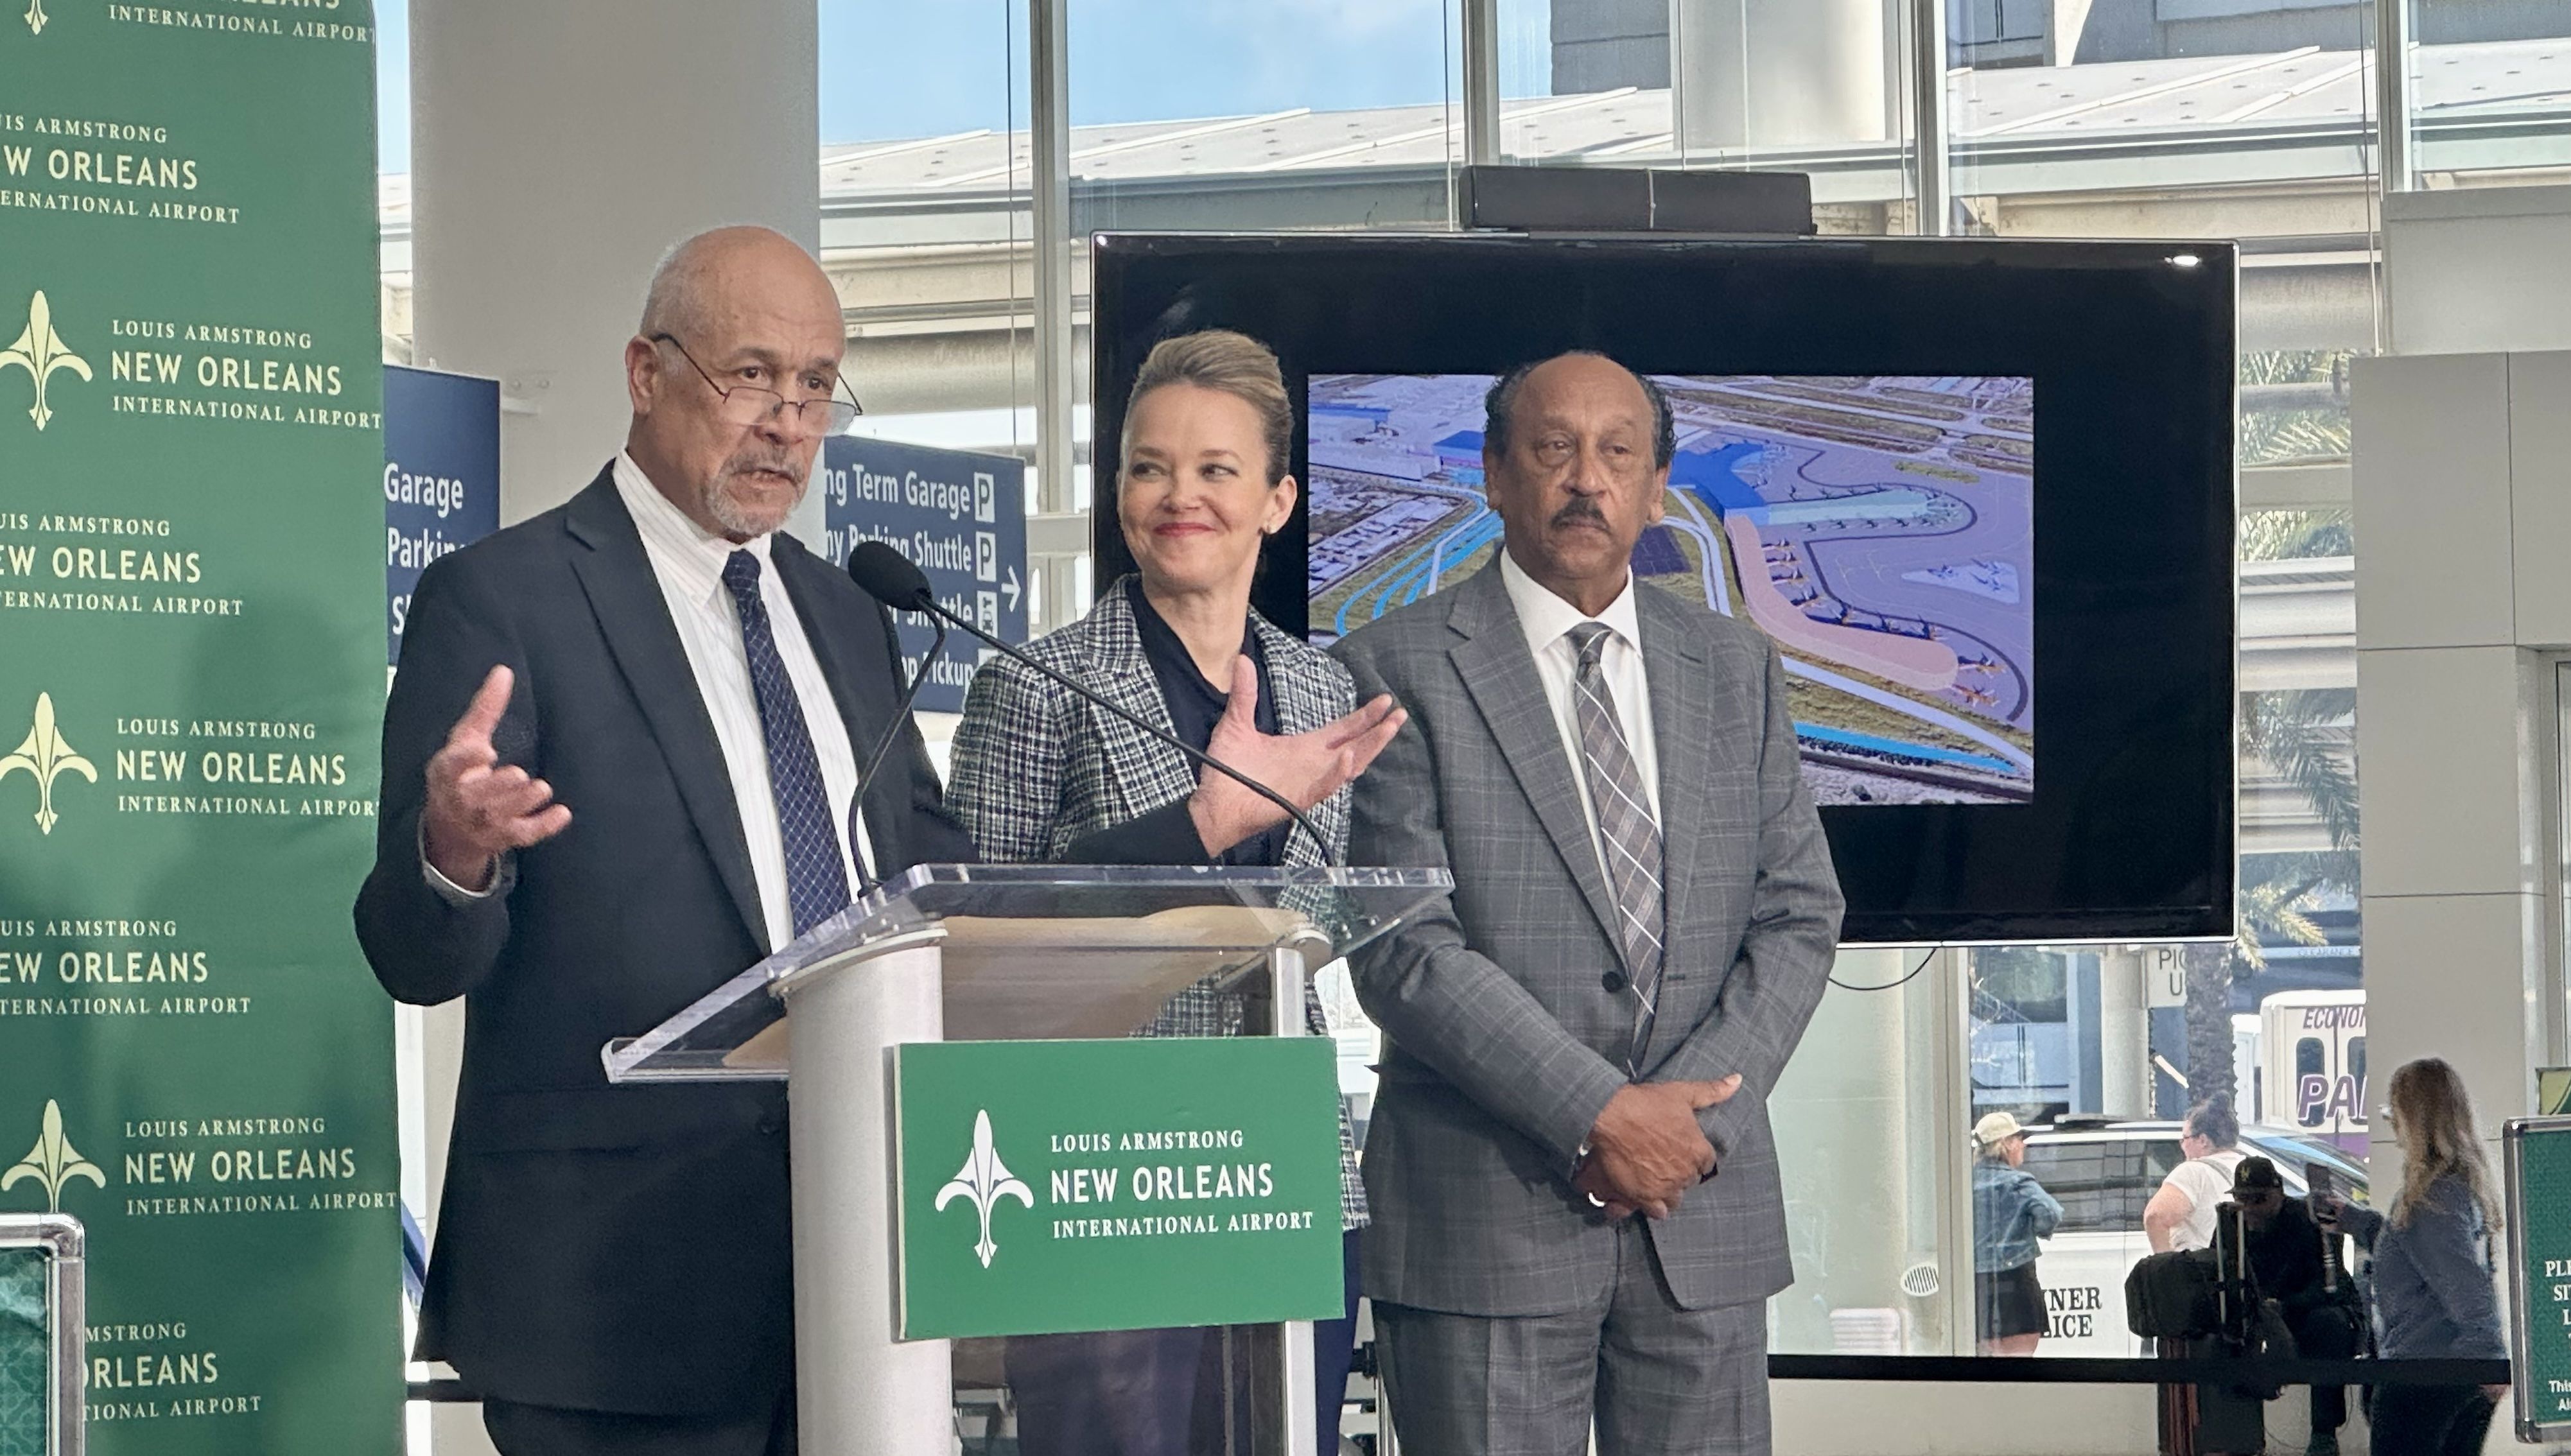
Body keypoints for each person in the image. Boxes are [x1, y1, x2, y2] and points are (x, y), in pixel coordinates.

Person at [354, 226, 972, 1456]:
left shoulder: (851, 617)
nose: (786, 422)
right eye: (751, 375)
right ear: (646, 372)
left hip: (861, 1271)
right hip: (612, 1293)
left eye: (814, 386)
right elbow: (413, 952)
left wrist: (1205, 822)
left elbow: (937, 892)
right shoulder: (504, 595)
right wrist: (455, 848)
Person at [1334, 351, 1846, 1455]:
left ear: (1655, 485)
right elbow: (1402, 945)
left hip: (1698, 1213)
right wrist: (1600, 1116)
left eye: (1618, 452)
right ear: (1492, 473)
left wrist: (1683, 1127)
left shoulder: (1734, 664)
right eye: (1552, 448)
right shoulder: (1391, 666)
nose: (1586, 479)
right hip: (1483, 1218)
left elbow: (1800, 911)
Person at [946, 328, 1406, 1456]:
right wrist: (1202, 827)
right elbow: (973, 950)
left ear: (1278, 500)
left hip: (1284, 1166)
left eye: (1215, 470)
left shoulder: (1319, 686)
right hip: (1098, 1174)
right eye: (1149, 466)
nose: (1177, 495)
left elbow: (1318, 928)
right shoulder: (1036, 682)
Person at [2313, 1058, 2507, 1456]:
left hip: (2426, 1375)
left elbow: (2464, 1286)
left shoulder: (2432, 1199)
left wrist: (2488, 1359)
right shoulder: (2455, 1191)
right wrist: (2355, 1222)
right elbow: (2419, 1255)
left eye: (2393, 1113)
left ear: (2412, 1117)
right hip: (2452, 1374)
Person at [2224, 1156, 2358, 1456]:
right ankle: (2229, 1431)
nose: (2251, 1210)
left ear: (2278, 1194)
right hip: (2257, 1318)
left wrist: (2284, 1306)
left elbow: (2329, 1286)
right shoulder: (2234, 1225)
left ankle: (2324, 1434)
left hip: (2303, 1315)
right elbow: (2217, 1272)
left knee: (2331, 1324)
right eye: (2243, 1200)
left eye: (2258, 1200)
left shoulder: (2307, 1221)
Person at [1971, 1112, 2062, 1356]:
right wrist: (2035, 1230)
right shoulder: (2018, 1183)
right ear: (2006, 1143)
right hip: (2017, 1281)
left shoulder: (1964, 1183)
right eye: (2019, 1138)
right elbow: (2050, 1213)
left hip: (1975, 1284)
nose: (2023, 1145)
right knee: (2018, 1363)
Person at [2145, 1095, 2242, 1255]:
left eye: (2185, 1138)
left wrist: (2164, 1263)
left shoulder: (2192, 1172)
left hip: (2197, 1270)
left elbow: (2155, 1216)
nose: (2182, 1145)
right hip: (2236, 1270)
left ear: (2203, 1140)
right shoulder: (2245, 1166)